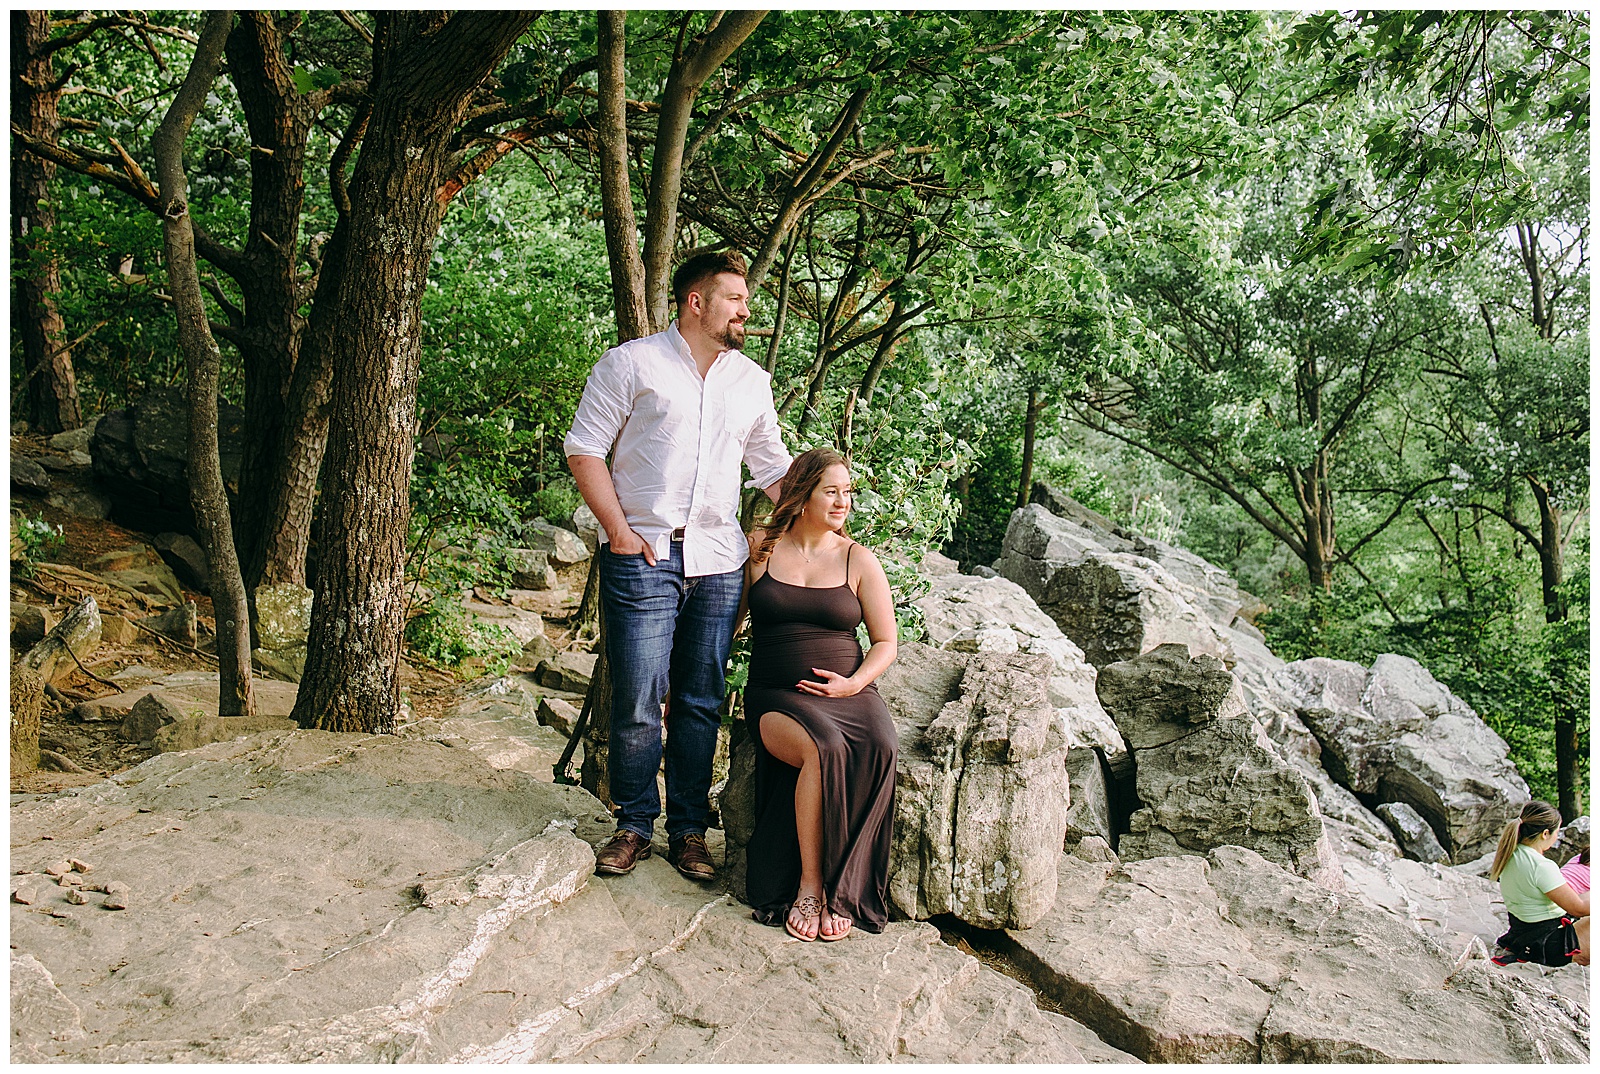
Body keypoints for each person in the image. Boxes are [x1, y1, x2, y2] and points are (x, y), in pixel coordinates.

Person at [565, 250, 791, 882]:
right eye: (736, 300)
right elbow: (584, 448)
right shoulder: (631, 364)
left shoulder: (751, 381)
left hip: (720, 561)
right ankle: (634, 823)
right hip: (645, 555)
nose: (748, 311)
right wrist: (617, 531)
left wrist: (826, 511)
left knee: (700, 699)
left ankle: (688, 829)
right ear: (698, 302)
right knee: (639, 695)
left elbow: (773, 469)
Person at [742, 448, 898, 942]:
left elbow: (886, 642)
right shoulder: (761, 548)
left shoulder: (857, 558)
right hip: (777, 694)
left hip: (850, 692)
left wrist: (854, 683)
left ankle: (844, 889)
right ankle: (810, 886)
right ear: (802, 493)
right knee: (822, 749)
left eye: (847, 492)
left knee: (880, 747)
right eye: (831, 490)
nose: (842, 501)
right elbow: (728, 623)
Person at [1488, 800, 1590, 967]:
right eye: (1556, 832)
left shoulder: (1512, 853)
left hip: (1523, 935)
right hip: (1549, 944)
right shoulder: (1541, 866)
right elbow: (1577, 908)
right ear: (1545, 833)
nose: (1557, 837)